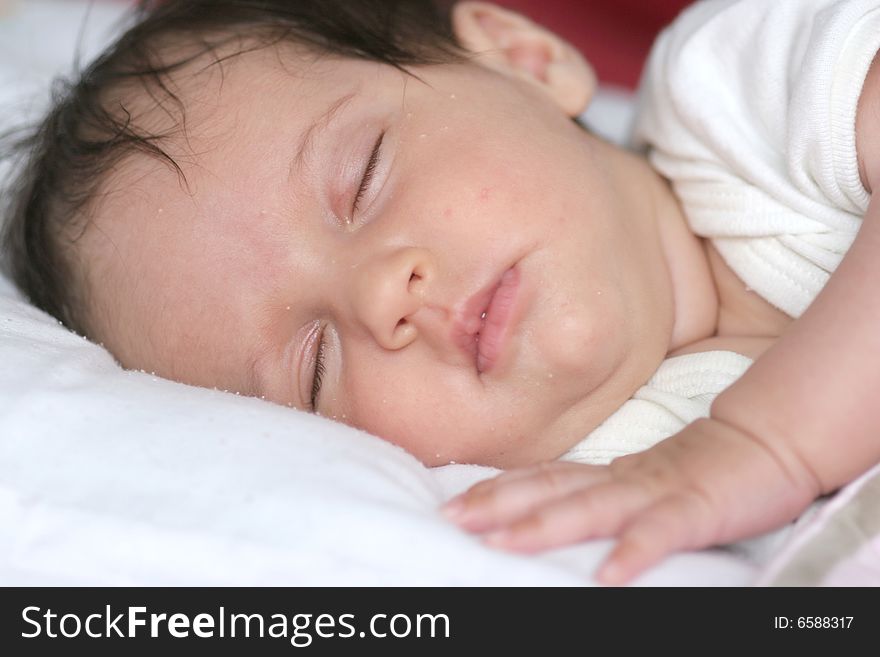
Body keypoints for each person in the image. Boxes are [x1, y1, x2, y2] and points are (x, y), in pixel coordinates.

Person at [1, 0, 878, 585]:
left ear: (523, 59)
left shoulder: (744, 97)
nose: (385, 294)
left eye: (365, 177)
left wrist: (769, 445)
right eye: (314, 366)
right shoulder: (585, 500)